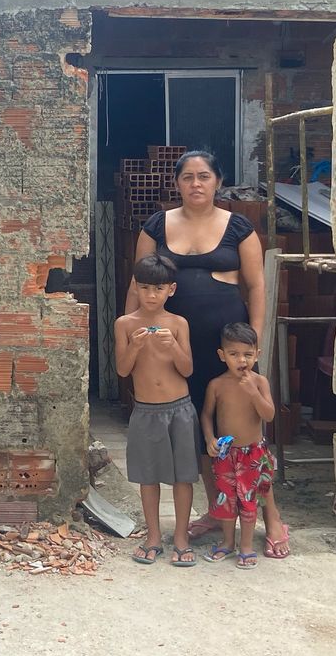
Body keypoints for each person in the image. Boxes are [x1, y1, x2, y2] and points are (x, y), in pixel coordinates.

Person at [126, 148, 290, 558]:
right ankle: (221, 513)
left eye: (203, 176)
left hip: (228, 344)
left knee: (247, 430)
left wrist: (254, 344)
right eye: (187, 177)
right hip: (174, 347)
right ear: (176, 183)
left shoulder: (239, 228)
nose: (195, 184)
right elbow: (137, 286)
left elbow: (256, 287)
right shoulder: (156, 226)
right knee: (201, 429)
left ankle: (271, 517)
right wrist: (132, 337)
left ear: (218, 181)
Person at [114, 254, 199, 567]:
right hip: (146, 410)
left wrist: (173, 347)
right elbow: (123, 371)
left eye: (158, 289)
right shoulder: (125, 324)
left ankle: (180, 537)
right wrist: (135, 347)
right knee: (147, 477)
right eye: (146, 288)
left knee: (182, 477)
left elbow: (187, 369)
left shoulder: (178, 324)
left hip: (179, 409)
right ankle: (153, 536)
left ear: (171, 290)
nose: (151, 295)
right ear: (136, 287)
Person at [201, 322, 278, 569]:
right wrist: (209, 438)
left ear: (257, 354)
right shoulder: (217, 385)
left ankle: (246, 546)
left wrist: (254, 393)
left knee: (249, 501)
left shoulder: (260, 382)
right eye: (234, 354)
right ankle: (227, 542)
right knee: (226, 501)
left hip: (252, 454)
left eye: (247, 354)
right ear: (222, 356)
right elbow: (206, 415)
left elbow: (269, 415)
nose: (241, 360)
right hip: (226, 454)